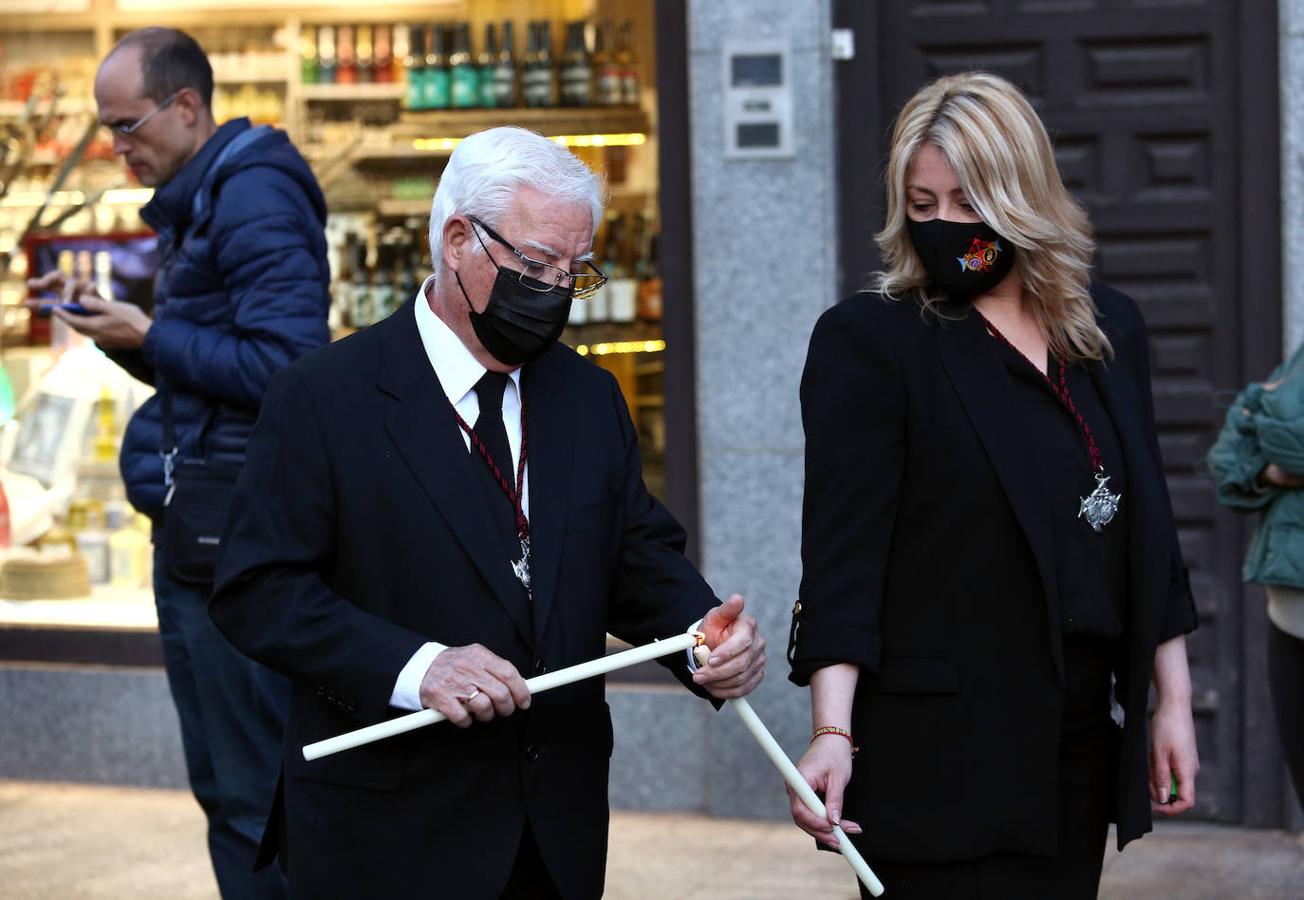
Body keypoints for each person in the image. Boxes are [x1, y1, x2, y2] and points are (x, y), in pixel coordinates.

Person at [207, 125, 766, 899]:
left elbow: (634, 554)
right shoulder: (323, 396)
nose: (557, 291)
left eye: (577, 272)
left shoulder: (588, 397)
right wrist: (418, 667)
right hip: (388, 838)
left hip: (554, 837)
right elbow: (257, 591)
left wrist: (704, 638)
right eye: (537, 264)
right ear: (458, 241)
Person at [785, 72, 1199, 899]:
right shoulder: (873, 342)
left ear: (1022, 198)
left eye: (968, 204)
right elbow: (842, 560)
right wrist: (832, 731)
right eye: (923, 205)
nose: (945, 229)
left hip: (1074, 747)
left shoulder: (1107, 327)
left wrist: (1172, 701)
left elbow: (1148, 526)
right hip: (937, 753)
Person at [26, 28, 330, 899]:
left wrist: (151, 332)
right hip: (206, 521)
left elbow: (287, 369)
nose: (118, 147)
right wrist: (121, 331)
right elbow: (214, 370)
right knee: (231, 786)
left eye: (127, 125)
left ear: (186, 106)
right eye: (107, 129)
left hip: (229, 532)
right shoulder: (210, 195)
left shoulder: (253, 195)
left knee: (248, 793)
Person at [1208, 349, 1304, 813]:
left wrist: (1263, 413)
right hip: (1289, 614)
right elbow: (1227, 459)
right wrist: (1270, 468)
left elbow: (1297, 442)